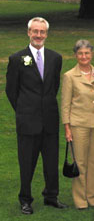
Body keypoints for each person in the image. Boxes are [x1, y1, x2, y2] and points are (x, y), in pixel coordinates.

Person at [5, 17, 67, 215]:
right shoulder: (17, 59)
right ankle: (25, 199)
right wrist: (24, 109)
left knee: (51, 162)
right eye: (35, 31)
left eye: (42, 32)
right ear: (28, 33)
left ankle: (51, 196)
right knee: (26, 163)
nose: (38, 35)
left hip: (49, 119)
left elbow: (53, 87)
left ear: (46, 34)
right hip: (28, 121)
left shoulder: (55, 58)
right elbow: (11, 91)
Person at [61, 40, 94, 209]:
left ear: (92, 54)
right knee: (79, 162)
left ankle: (92, 195)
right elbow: (65, 104)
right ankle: (80, 199)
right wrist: (67, 127)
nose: (84, 56)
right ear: (76, 55)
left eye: (87, 53)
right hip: (78, 124)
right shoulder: (69, 76)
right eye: (80, 53)